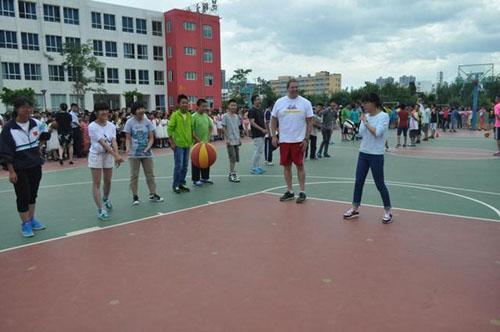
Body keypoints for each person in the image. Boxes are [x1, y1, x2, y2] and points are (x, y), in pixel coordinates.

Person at [0, 97, 50, 237]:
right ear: (17, 109)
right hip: (19, 167)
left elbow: (46, 134)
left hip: (34, 165)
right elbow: (5, 151)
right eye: (24, 107)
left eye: (29, 107)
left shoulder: (37, 123)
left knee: (33, 194)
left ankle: (31, 219)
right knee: (23, 195)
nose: (28, 110)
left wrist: (37, 148)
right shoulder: (9, 128)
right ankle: (25, 223)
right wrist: (11, 171)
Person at [343, 93, 392, 224]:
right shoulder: (366, 116)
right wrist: (353, 128)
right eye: (363, 103)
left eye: (366, 103)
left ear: (374, 103)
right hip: (363, 153)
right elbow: (361, 133)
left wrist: (365, 121)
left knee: (379, 184)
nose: (363, 106)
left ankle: (387, 211)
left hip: (376, 155)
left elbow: (377, 133)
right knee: (358, 181)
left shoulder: (383, 116)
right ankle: (355, 208)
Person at [270, 78, 313, 204]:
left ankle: (302, 191)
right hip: (284, 141)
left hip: (299, 140)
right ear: (287, 88)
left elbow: (310, 121)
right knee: (286, 167)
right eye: (292, 87)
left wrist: (306, 138)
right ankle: (289, 191)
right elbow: (273, 119)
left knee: (300, 166)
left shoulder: (305, 103)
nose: (294, 89)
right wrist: (273, 136)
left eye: (296, 87)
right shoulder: (280, 102)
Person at [88, 102, 124, 221]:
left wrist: (116, 154)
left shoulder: (111, 125)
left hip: (108, 156)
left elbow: (113, 140)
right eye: (101, 110)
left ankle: (106, 198)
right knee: (97, 183)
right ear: (96, 113)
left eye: (106, 110)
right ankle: (101, 209)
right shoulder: (92, 126)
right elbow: (102, 142)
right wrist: (116, 155)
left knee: (108, 181)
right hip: (96, 155)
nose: (105, 112)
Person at [124, 102, 163, 205]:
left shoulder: (147, 122)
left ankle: (153, 194)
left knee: (150, 174)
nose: (141, 110)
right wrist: (128, 148)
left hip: (147, 153)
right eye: (138, 109)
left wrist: (147, 148)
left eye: (142, 108)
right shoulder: (129, 123)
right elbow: (127, 138)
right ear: (134, 111)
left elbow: (151, 138)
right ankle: (135, 197)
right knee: (134, 175)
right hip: (134, 154)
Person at [168, 94, 194, 194]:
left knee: (185, 165)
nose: (185, 104)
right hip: (178, 144)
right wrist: (172, 142)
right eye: (183, 103)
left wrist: (196, 140)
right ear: (178, 104)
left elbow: (191, 129)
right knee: (178, 165)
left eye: (186, 103)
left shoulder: (189, 116)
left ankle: (182, 183)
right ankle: (176, 184)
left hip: (187, 144)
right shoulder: (175, 115)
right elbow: (170, 129)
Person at [191, 98, 214, 186]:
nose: (204, 108)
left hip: (206, 143)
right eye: (203, 106)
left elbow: (211, 126)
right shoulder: (194, 117)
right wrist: (197, 140)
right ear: (198, 106)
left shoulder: (206, 116)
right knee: (196, 161)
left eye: (206, 106)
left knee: (206, 159)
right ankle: (196, 179)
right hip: (197, 144)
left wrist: (209, 136)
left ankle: (205, 177)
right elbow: (191, 131)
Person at [221, 100, 243, 182]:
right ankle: (232, 173)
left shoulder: (237, 116)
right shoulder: (225, 116)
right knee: (232, 157)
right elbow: (223, 127)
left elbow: (237, 128)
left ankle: (233, 172)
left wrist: (239, 138)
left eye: (235, 105)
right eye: (232, 105)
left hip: (236, 139)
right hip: (230, 141)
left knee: (236, 157)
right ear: (228, 106)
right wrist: (227, 138)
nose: (233, 107)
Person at [248, 95, 268, 174]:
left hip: (262, 133)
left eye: (259, 99)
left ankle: (257, 166)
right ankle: (253, 167)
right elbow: (252, 122)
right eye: (257, 100)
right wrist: (261, 129)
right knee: (257, 150)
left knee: (260, 151)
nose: (259, 101)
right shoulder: (252, 111)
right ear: (253, 101)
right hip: (257, 133)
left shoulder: (260, 110)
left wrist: (265, 129)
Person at [264, 100, 276, 166]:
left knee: (269, 147)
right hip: (269, 133)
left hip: (272, 132)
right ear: (271, 105)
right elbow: (266, 123)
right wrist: (269, 133)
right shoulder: (267, 112)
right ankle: (268, 160)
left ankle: (267, 159)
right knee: (269, 147)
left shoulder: (271, 112)